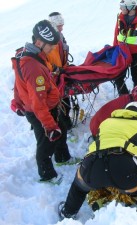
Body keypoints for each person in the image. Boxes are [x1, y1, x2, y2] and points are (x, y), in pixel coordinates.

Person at [58, 102, 137, 219]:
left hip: (94, 163)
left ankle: (68, 212)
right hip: (124, 169)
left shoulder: (106, 122)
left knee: (79, 186)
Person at [12, 20, 77, 184]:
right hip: (41, 112)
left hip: (48, 107)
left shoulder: (29, 54)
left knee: (61, 127)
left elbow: (18, 82)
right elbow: (38, 103)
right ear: (39, 42)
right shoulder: (33, 67)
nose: (53, 48)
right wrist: (49, 126)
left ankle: (62, 157)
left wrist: (17, 101)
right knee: (46, 142)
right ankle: (47, 174)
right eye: (51, 46)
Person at [113, 0, 137, 95]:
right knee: (118, 77)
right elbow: (116, 35)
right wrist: (115, 50)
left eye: (122, 6)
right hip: (122, 53)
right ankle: (124, 96)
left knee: (136, 77)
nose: (120, 8)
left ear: (130, 7)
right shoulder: (119, 17)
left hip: (136, 55)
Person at [47, 12, 73, 130]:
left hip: (61, 74)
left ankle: (66, 123)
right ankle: (64, 126)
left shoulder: (60, 37)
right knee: (60, 104)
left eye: (62, 25)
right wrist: (56, 69)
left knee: (65, 101)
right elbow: (43, 61)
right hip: (54, 77)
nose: (61, 28)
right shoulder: (47, 41)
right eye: (59, 26)